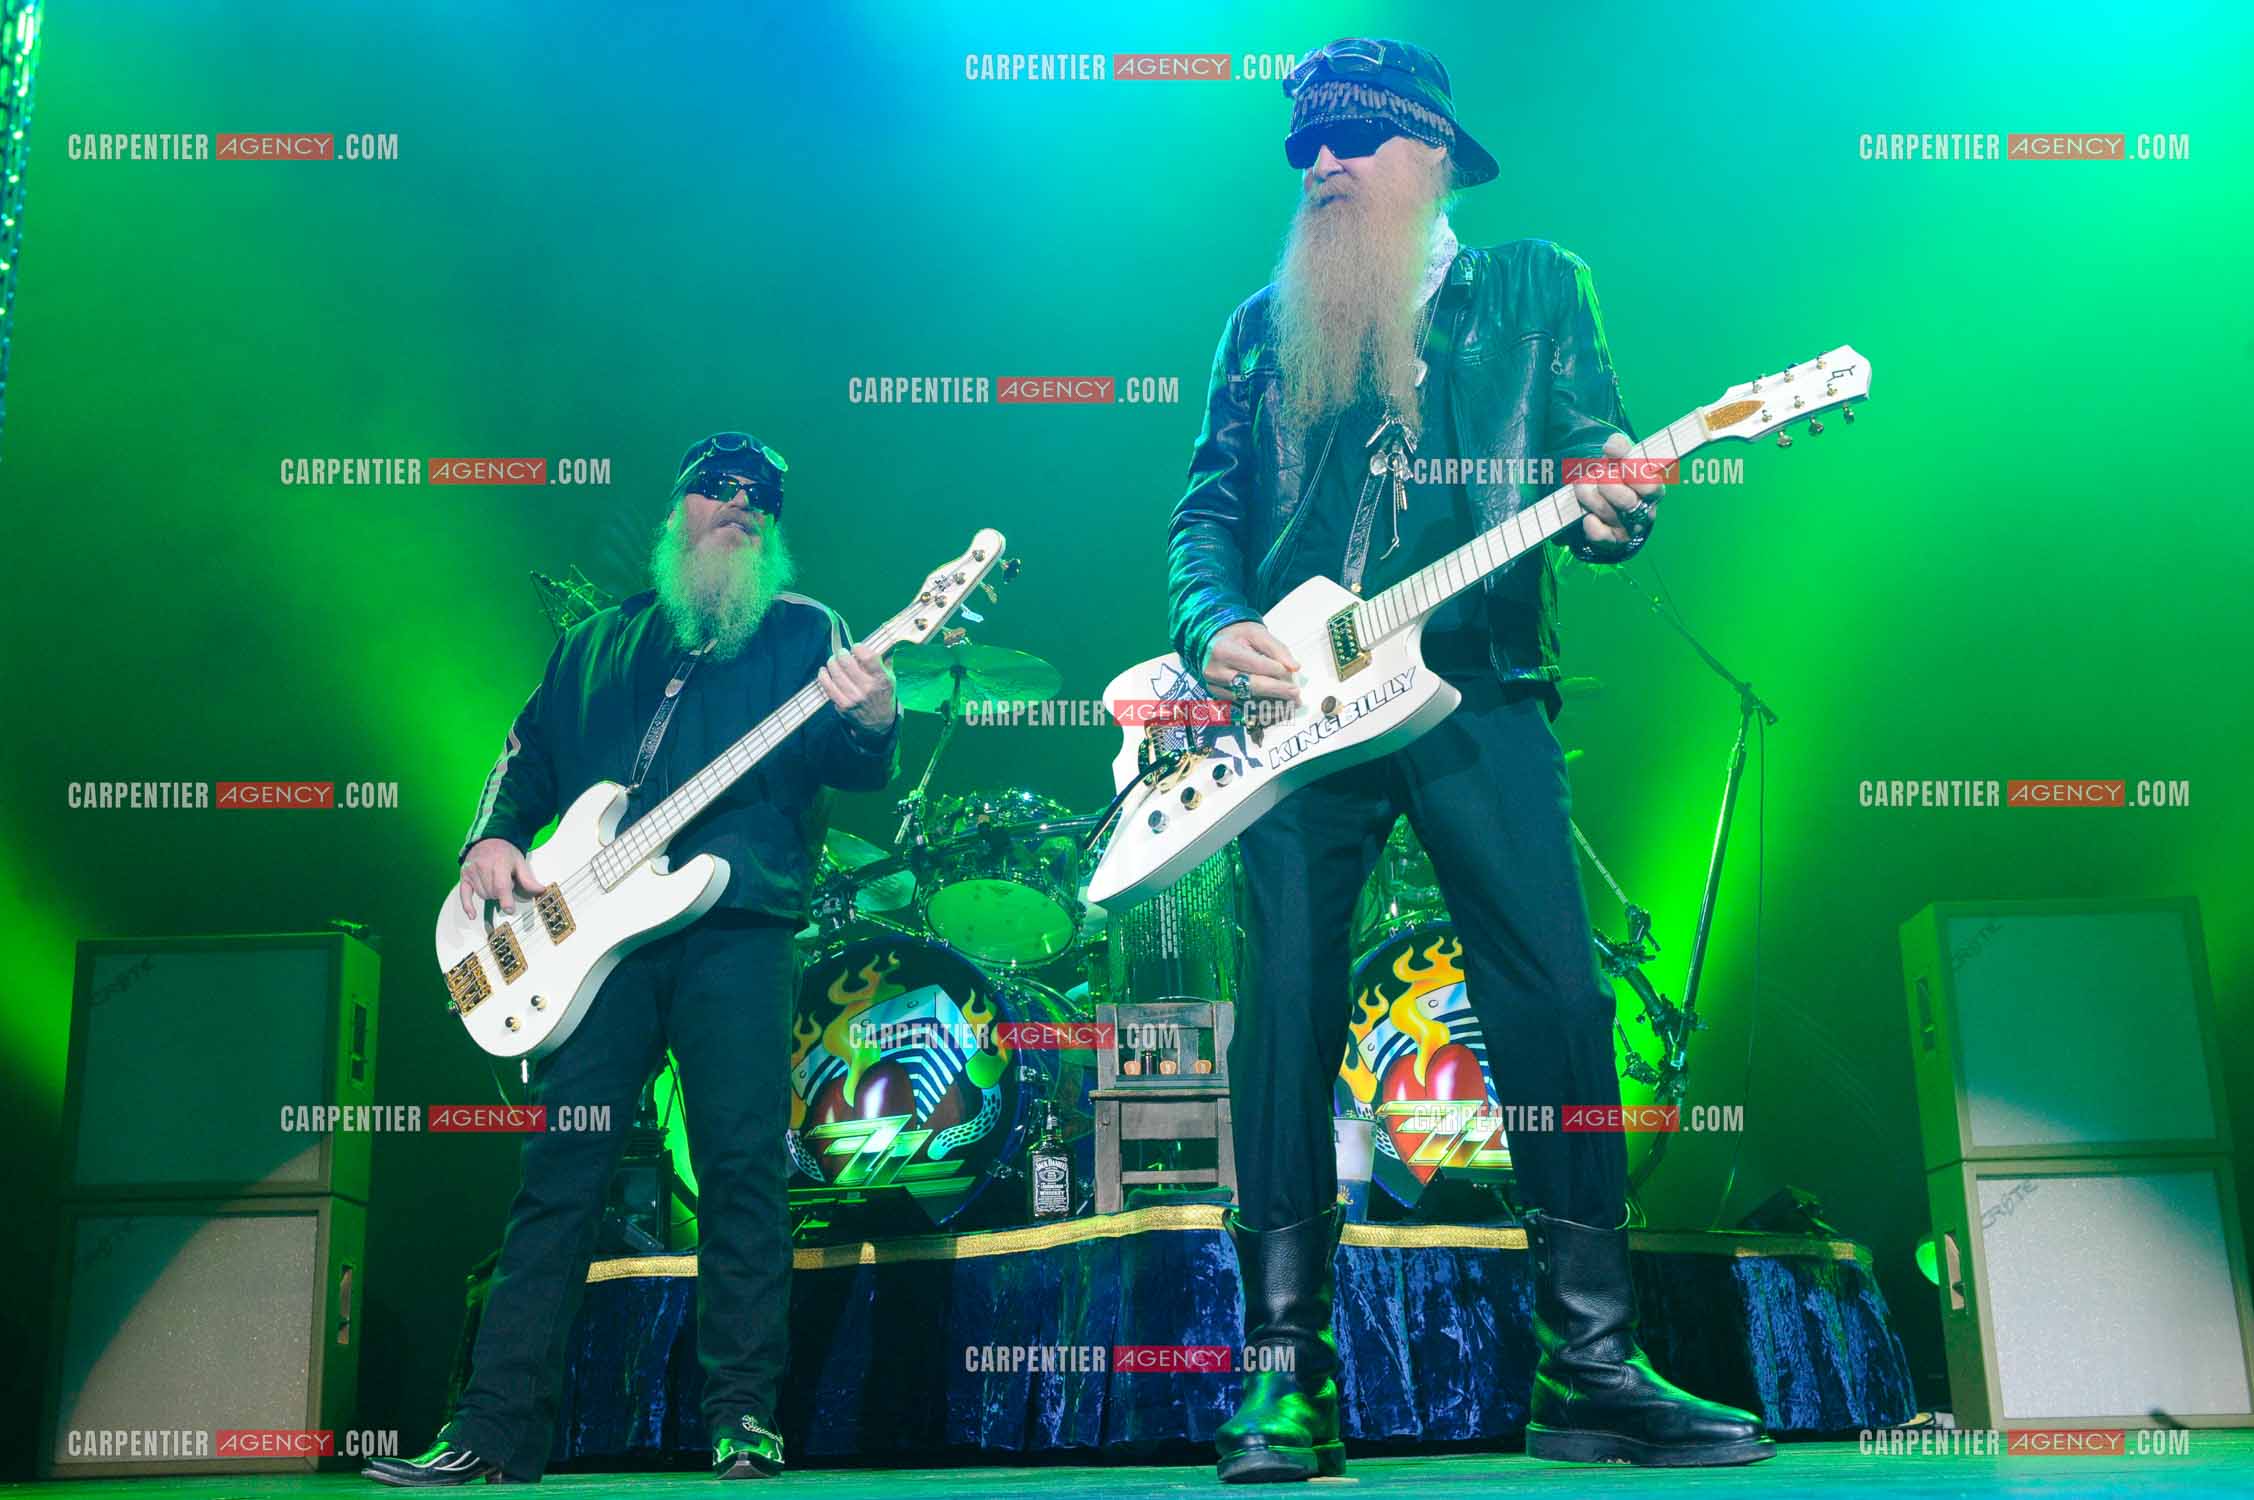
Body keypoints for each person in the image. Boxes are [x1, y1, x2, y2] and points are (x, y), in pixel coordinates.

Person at [1163, 39, 1776, 1481]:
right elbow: (1203, 516)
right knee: (1288, 1012)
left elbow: (1594, 458)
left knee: (1558, 1002)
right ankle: (1282, 1376)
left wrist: (1618, 507)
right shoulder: (1259, 328)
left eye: (1356, 139)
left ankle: (1593, 1363)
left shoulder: (1536, 288)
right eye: (1304, 143)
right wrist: (1215, 628)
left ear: (1435, 152)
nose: (1320, 163)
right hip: (1295, 719)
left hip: (1479, 682)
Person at [364, 432, 899, 1485]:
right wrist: (490, 840)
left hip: (733, 927)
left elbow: (854, 761)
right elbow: (522, 761)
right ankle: (492, 1429)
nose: (740, 509)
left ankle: (742, 1417)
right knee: (557, 1174)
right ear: (679, 514)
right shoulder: (599, 644)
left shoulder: (805, 635)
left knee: (742, 1168)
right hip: (585, 948)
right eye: (719, 493)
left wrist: (875, 719)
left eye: (762, 503)